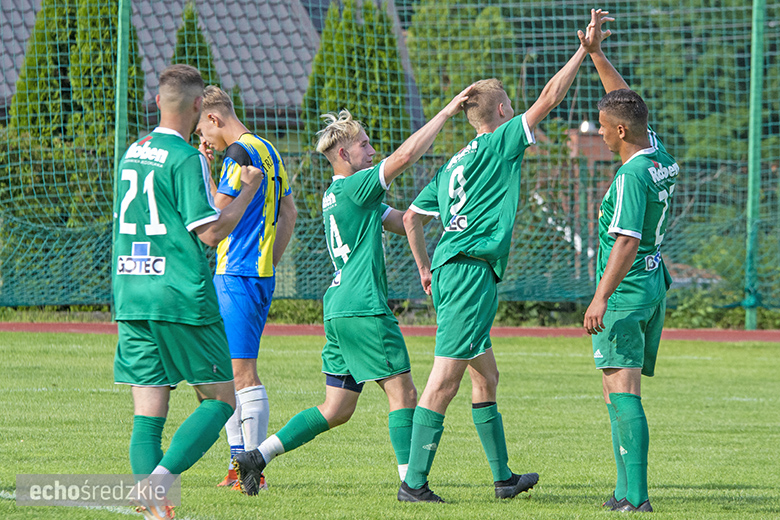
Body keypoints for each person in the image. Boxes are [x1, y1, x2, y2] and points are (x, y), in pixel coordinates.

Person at [399, 10, 610, 503]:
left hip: (458, 269)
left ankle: (502, 478)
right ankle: (413, 483)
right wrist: (584, 49)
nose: (519, 114)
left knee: (486, 375)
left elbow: (411, 217)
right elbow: (550, 98)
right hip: (470, 272)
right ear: (500, 111)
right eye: (512, 107)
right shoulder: (498, 144)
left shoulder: (456, 161)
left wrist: (427, 270)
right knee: (444, 378)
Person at [233, 87, 473, 496]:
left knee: (337, 409)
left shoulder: (338, 195)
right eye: (363, 144)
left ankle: (258, 455)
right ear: (342, 154)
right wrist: (447, 112)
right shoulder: (355, 186)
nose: (371, 149)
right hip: (363, 306)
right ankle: (410, 484)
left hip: (339, 306)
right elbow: (403, 158)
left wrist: (450, 198)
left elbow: (404, 221)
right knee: (404, 392)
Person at [112, 64, 264, 519]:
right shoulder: (186, 158)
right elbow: (211, 233)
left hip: (131, 292)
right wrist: (247, 190)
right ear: (200, 106)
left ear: (158, 101)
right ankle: (158, 486)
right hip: (178, 294)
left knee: (148, 415)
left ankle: (153, 508)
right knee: (221, 400)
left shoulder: (133, 152)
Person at [581, 9, 677, 513]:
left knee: (622, 390)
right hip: (651, 283)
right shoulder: (657, 151)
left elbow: (623, 243)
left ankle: (636, 499)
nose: (599, 132)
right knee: (618, 388)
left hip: (625, 292)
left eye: (603, 126)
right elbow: (629, 104)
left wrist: (600, 297)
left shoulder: (629, 179)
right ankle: (622, 493)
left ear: (619, 132)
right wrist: (597, 54)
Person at [195, 85, 298, 491]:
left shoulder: (239, 154)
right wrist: (271, 258)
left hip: (237, 274)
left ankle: (251, 471)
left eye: (203, 130)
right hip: (252, 272)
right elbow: (288, 208)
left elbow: (214, 213)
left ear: (215, 119)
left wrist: (201, 170)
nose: (202, 139)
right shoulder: (267, 148)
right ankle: (239, 466)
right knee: (227, 371)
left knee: (241, 373)